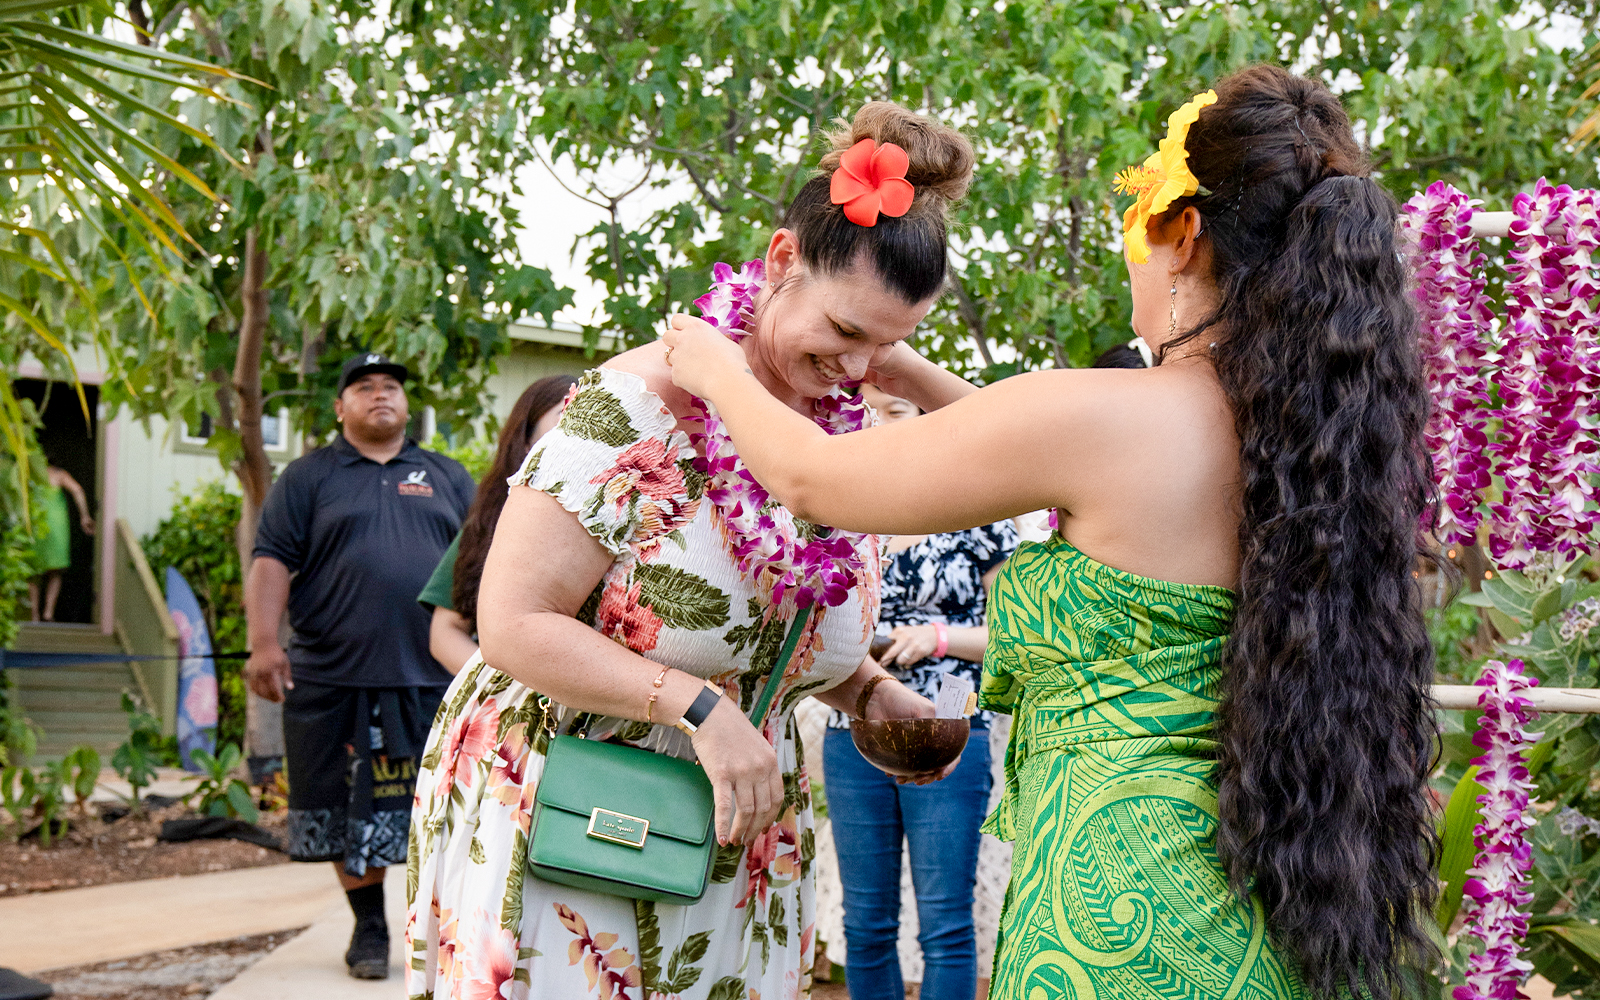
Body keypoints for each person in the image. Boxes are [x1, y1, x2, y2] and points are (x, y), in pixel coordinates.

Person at [663, 65, 1439, 999]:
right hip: (1252, 905)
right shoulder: (1303, 437)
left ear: (1184, 236)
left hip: (1116, 917)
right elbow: (1070, 470)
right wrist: (918, 380)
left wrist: (714, 367)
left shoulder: (1120, 416)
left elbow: (813, 480)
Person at [405, 102, 976, 999]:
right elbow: (510, 623)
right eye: (847, 333)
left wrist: (867, 688)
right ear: (782, 260)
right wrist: (702, 713)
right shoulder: (634, 409)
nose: (863, 371)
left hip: (741, 831)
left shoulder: (837, 431)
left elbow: (775, 624)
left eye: (894, 344)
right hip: (576, 809)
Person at [245, 352, 475, 980]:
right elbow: (270, 560)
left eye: (392, 386)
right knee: (347, 812)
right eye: (364, 387)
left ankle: (447, 929)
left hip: (436, 679)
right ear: (340, 408)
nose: (381, 395)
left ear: (406, 404)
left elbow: (487, 563)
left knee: (446, 812)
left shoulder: (448, 477)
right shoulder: (309, 476)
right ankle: (369, 928)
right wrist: (264, 642)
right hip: (331, 675)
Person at [823, 383, 1016, 1000]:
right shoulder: (838, 511)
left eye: (897, 410)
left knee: (945, 924)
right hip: (850, 729)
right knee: (866, 922)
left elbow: (1015, 634)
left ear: (927, 417)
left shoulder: (975, 511)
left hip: (950, 722)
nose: (879, 422)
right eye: (866, 411)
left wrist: (937, 637)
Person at [416, 374, 578, 673]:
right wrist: (507, 690)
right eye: (568, 412)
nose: (583, 427)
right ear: (527, 439)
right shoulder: (492, 520)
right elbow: (446, 631)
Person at [29, 464, 95, 622]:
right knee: (56, 570)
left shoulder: (28, 473)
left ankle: (34, 615)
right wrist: (84, 516)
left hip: (35, 523)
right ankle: (48, 613)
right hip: (56, 524)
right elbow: (77, 490)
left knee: (33, 572)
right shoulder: (59, 474)